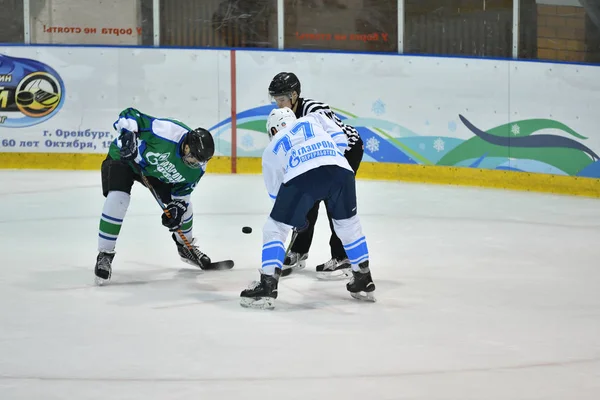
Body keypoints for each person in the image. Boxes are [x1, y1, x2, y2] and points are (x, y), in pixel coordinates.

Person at [239, 107, 375, 309]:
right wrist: (329, 158)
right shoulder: (314, 119)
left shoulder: (272, 148)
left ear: (274, 130)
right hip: (341, 170)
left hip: (301, 176)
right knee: (348, 225)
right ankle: (363, 278)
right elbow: (341, 138)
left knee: (275, 227)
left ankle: (267, 285)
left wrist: (295, 218)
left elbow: (276, 196)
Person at [94, 107, 215, 285]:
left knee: (185, 211)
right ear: (186, 146)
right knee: (118, 199)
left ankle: (186, 247)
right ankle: (105, 254)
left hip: (153, 172)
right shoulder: (166, 132)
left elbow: (182, 195)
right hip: (123, 158)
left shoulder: (196, 170)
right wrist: (129, 136)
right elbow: (130, 114)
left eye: (199, 161)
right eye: (193, 158)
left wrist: (176, 209)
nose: (195, 164)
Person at [267, 72, 364, 279]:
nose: (278, 105)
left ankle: (343, 257)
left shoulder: (312, 109)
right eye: (276, 100)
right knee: (307, 198)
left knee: (334, 200)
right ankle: (298, 251)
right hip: (324, 156)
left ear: (294, 96)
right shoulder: (287, 117)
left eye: (282, 99)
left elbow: (338, 137)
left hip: (347, 148)